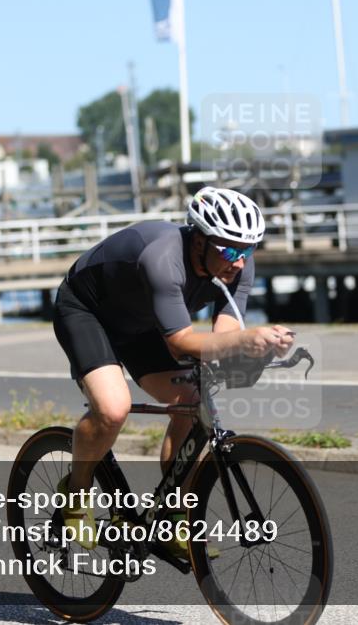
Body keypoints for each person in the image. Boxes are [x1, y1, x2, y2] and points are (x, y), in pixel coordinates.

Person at [51, 187, 294, 552]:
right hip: (88, 313)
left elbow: (223, 337)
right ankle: (75, 493)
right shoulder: (163, 258)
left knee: (194, 401)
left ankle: (171, 513)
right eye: (230, 249)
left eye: (247, 249)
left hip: (144, 324)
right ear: (199, 241)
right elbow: (181, 342)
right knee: (113, 408)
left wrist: (257, 346)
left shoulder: (238, 265)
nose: (240, 261)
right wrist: (246, 340)